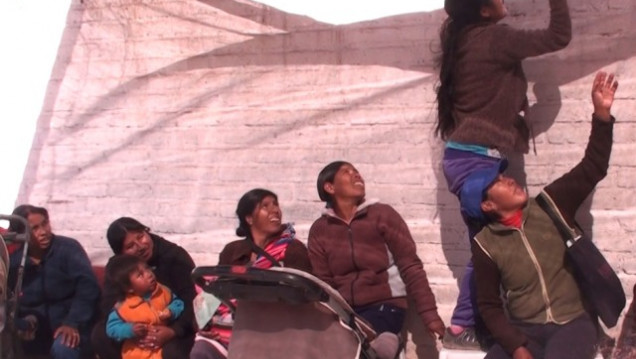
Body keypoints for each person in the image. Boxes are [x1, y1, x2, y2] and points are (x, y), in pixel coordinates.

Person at [436, 0, 572, 348]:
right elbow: (559, 36)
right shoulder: (494, 39)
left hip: (468, 158)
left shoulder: (466, 40)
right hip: (475, 162)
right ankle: (461, 326)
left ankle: (476, 324)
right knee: (490, 249)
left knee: (489, 249)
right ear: (483, 10)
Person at [461, 71, 618, 358]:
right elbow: (489, 306)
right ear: (487, 206)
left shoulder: (550, 203)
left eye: (504, 176)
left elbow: (593, 166)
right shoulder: (486, 244)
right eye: (496, 183)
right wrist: (516, 347)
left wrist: (601, 115)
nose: (508, 180)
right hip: (526, 329)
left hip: (574, 322)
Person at [307, 161, 445, 359]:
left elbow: (410, 265)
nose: (357, 175)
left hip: (386, 305)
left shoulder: (382, 214)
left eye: (357, 171)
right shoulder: (320, 230)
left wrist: (430, 315)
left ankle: (385, 346)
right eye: (347, 172)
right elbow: (324, 282)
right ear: (329, 187)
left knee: (369, 349)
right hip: (345, 311)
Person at [189, 188, 311, 359]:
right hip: (230, 325)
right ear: (249, 218)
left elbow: (304, 295)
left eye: (276, 204)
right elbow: (215, 289)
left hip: (274, 325)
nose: (275, 210)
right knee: (201, 351)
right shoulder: (232, 250)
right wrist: (202, 323)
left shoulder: (292, 249)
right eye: (265, 206)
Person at [92, 217, 197, 359]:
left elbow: (193, 302)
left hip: (174, 327)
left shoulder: (175, 257)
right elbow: (109, 306)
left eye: (141, 237)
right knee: (99, 335)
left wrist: (172, 331)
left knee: (174, 352)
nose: (141, 247)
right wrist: (131, 332)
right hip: (134, 329)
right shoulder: (118, 268)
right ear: (120, 253)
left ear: (146, 231)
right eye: (130, 246)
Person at [7, 204, 100, 358]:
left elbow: (88, 287)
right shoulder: (16, 262)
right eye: (35, 229)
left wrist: (72, 322)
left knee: (64, 348)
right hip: (35, 330)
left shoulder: (68, 248)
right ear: (21, 234)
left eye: (45, 224)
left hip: (72, 326)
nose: (44, 232)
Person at [105, 254, 185, 359]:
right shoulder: (123, 306)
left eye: (147, 269)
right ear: (129, 288)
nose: (149, 274)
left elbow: (178, 303)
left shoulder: (163, 291)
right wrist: (130, 330)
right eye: (140, 275)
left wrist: (171, 311)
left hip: (163, 346)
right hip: (136, 351)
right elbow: (111, 328)